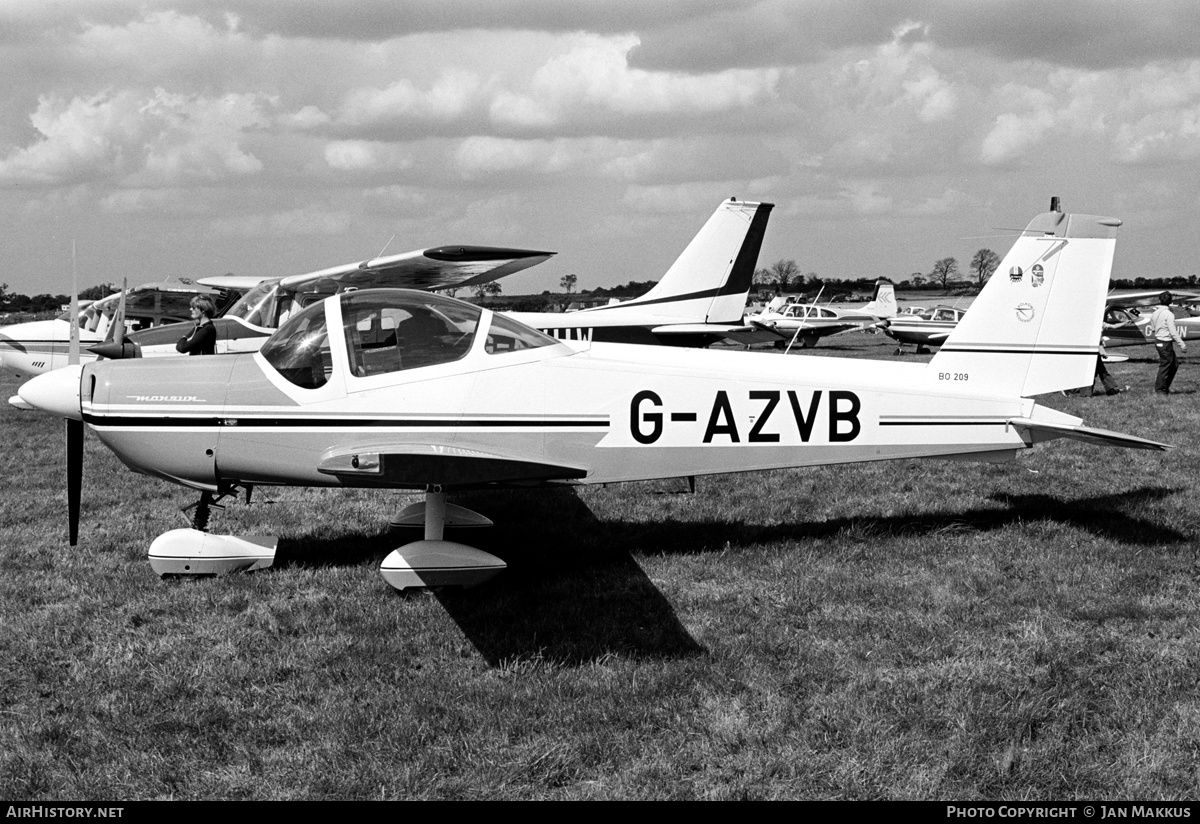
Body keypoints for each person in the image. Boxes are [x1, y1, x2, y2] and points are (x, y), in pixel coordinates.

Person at [1149, 291, 1186, 394]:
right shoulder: (1169, 314)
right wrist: (1182, 344)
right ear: (1170, 301)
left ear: (1160, 300)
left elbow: (1152, 328)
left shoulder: (1155, 313)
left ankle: (1164, 387)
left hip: (1158, 341)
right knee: (1165, 365)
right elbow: (1173, 332)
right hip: (1165, 343)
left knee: (1174, 364)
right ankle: (1160, 390)